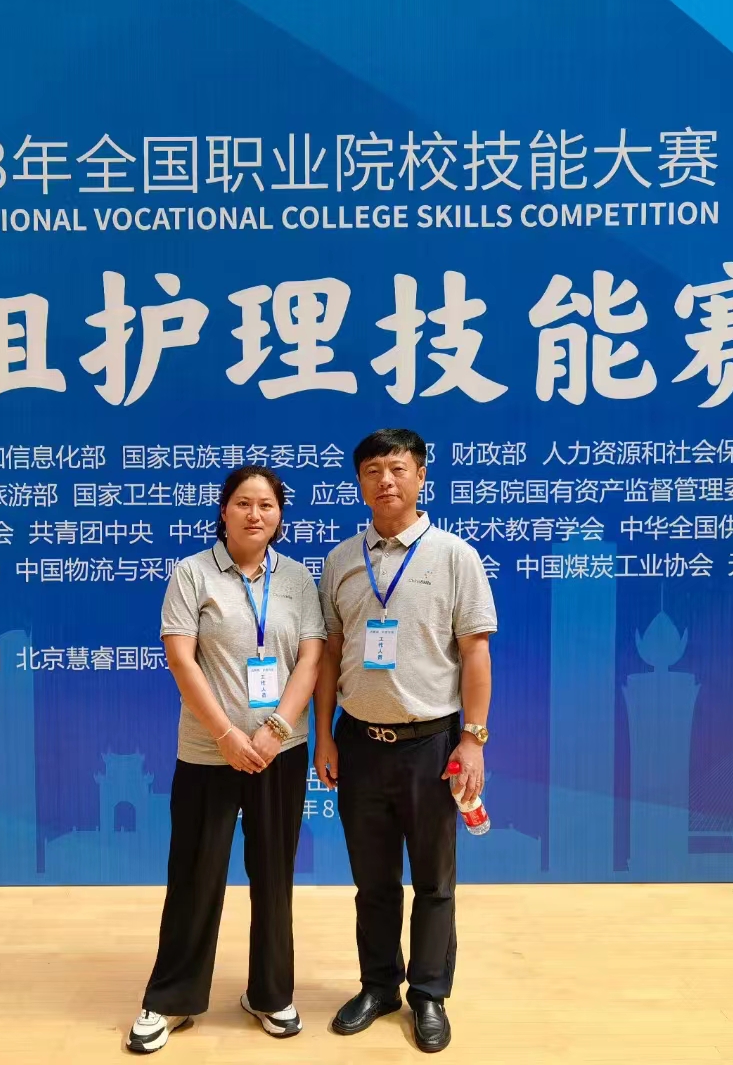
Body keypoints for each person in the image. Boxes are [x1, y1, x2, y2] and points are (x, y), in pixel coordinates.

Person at [127, 464, 326, 1054]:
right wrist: (226, 736)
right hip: (208, 752)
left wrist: (275, 729)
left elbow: (311, 658)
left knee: (274, 876)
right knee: (195, 875)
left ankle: (270, 993)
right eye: (243, 503)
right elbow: (181, 658)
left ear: (280, 515)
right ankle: (172, 999)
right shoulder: (192, 573)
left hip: (279, 752)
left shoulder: (297, 579)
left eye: (266, 504)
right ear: (223, 511)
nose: (255, 514)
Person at [314, 428, 496, 1054]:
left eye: (397, 468)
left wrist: (473, 740)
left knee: (434, 881)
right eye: (372, 470)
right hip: (359, 743)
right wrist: (324, 738)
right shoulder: (342, 560)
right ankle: (379, 985)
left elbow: (475, 653)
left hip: (432, 746)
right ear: (359, 483)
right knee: (373, 881)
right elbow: (331, 653)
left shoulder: (454, 556)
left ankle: (429, 994)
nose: (385, 480)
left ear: (421, 476)